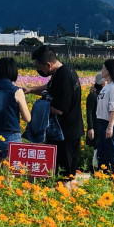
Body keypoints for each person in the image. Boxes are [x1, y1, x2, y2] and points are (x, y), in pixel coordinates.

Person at [29, 45, 83, 176]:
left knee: (65, 174)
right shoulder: (62, 71)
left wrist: (39, 107)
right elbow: (49, 87)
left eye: (38, 67)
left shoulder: (64, 76)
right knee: (63, 172)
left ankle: (67, 194)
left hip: (66, 134)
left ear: (48, 64)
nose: (38, 70)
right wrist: (30, 90)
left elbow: (60, 110)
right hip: (66, 132)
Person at [0, 56, 31, 165]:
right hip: (11, 135)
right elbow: (27, 118)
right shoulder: (16, 91)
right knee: (12, 174)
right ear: (13, 72)